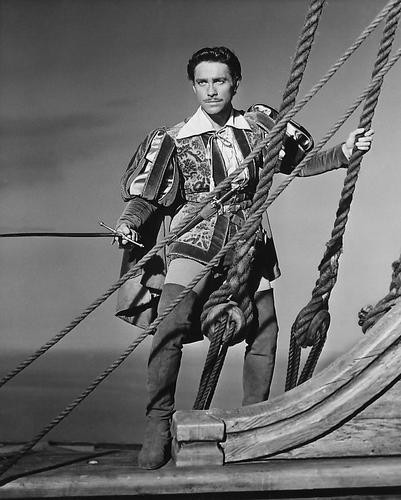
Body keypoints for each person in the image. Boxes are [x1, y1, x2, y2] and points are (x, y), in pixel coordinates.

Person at [114, 47, 374, 470]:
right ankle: (158, 424)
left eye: (219, 80)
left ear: (235, 82)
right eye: (202, 82)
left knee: (266, 331)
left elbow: (302, 163)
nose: (211, 90)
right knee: (169, 324)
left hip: (249, 241)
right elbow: (146, 197)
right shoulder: (174, 139)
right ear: (193, 86)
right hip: (195, 238)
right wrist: (129, 221)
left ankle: (254, 422)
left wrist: (344, 152)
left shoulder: (259, 128)